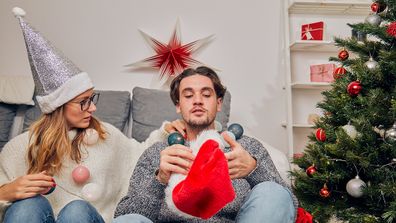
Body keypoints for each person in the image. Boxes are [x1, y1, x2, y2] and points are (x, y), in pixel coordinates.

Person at [0, 8, 185, 223]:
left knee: (77, 209)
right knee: (28, 205)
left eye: (92, 99)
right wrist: (4, 193)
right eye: (83, 102)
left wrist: (164, 133)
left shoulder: (106, 136)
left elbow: (140, 156)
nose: (93, 108)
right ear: (58, 107)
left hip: (86, 218)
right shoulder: (18, 148)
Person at [113, 66, 298, 223]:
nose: (198, 100)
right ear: (178, 105)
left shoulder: (246, 149)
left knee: (274, 192)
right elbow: (125, 215)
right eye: (188, 95)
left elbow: (288, 203)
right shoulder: (158, 154)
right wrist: (159, 180)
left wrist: (253, 169)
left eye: (206, 94)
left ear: (218, 103)